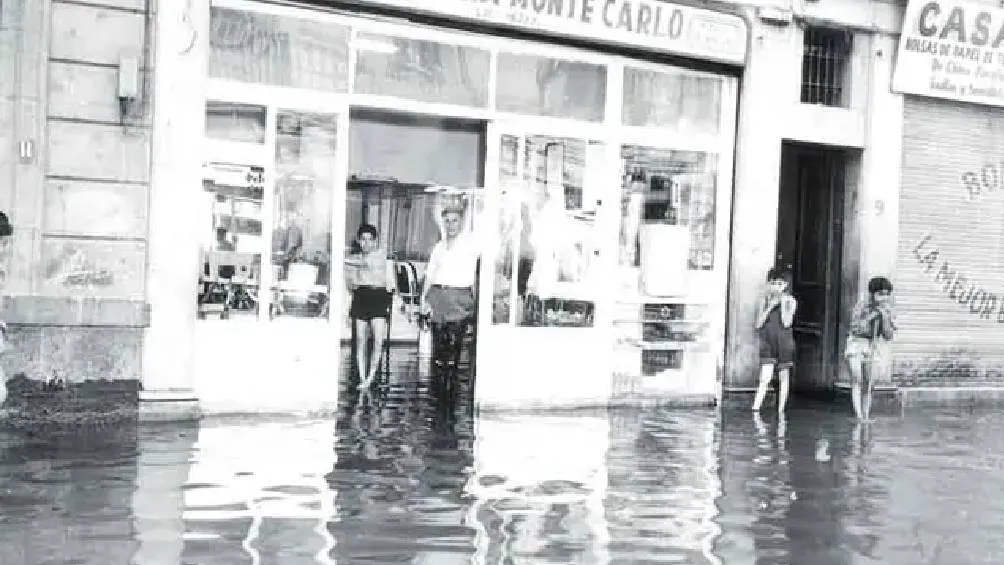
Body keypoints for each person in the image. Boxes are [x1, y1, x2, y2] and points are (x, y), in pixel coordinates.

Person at [420, 192, 483, 376]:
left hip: (459, 300)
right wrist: (422, 300)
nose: (450, 225)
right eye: (447, 221)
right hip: (438, 298)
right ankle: (438, 397)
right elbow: (430, 275)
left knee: (454, 351)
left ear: (461, 223)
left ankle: (450, 398)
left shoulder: (471, 244)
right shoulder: (439, 247)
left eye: (454, 220)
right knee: (438, 352)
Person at [345, 224, 395, 388]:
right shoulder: (356, 259)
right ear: (359, 241)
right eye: (363, 240)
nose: (366, 243)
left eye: (370, 240)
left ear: (375, 242)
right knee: (360, 340)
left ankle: (370, 377)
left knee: (378, 340)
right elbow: (351, 283)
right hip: (361, 297)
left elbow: (365, 263)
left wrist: (341, 258)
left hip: (378, 297)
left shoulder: (379, 256)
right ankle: (362, 377)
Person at [845, 276, 895, 421]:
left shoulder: (887, 310)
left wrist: (884, 318)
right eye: (880, 294)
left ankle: (866, 414)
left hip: (872, 346)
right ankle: (858, 415)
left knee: (869, 382)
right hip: (856, 344)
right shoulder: (861, 306)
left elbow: (888, 336)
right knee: (857, 379)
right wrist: (872, 316)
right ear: (872, 294)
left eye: (886, 294)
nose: (884, 298)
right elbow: (855, 328)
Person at [752, 266, 797, 414]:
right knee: (765, 376)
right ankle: (756, 408)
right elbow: (758, 324)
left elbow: (786, 323)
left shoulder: (790, 301)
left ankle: (781, 410)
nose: (777, 287)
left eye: (780, 284)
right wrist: (770, 306)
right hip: (767, 341)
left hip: (784, 342)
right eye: (774, 283)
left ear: (786, 285)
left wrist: (783, 305)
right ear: (769, 284)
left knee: (784, 376)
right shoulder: (764, 300)